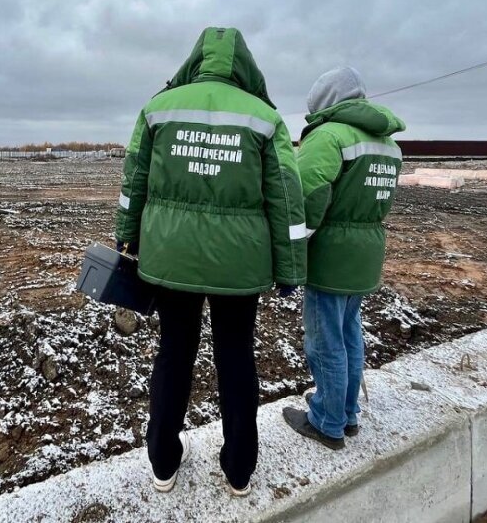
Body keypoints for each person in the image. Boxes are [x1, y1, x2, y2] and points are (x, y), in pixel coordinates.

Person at [116, 27, 306, 496]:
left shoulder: (160, 108)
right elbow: (286, 196)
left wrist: (127, 239)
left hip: (171, 258)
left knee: (174, 354)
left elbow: (134, 179)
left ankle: (163, 463)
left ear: (195, 60)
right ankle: (239, 470)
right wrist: (289, 269)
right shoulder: (265, 119)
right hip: (238, 266)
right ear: (245, 65)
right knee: (237, 357)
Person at [282, 66, 405, 448]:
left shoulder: (328, 136)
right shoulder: (388, 144)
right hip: (365, 254)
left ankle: (327, 421)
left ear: (325, 103)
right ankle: (347, 411)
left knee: (324, 341)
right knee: (350, 332)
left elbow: (305, 197)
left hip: (332, 259)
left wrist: (291, 250)